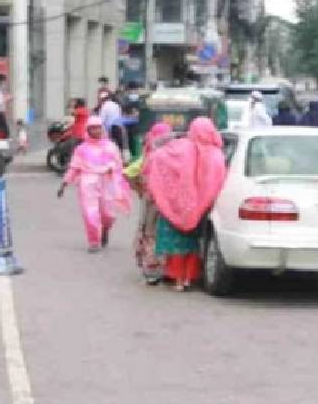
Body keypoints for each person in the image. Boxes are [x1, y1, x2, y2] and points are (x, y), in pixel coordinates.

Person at [145, 117, 228, 292]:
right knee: (192, 245)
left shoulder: (180, 148)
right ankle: (189, 278)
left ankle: (177, 279)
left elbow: (157, 155)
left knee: (176, 244)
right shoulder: (216, 155)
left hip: (176, 206)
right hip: (201, 209)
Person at [57, 116, 131, 253]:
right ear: (88, 130)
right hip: (87, 182)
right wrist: (64, 184)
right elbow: (74, 167)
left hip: (107, 182)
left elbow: (119, 165)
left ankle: (105, 228)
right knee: (90, 213)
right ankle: (93, 241)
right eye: (93, 128)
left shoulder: (111, 147)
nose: (96, 131)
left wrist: (115, 172)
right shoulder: (81, 149)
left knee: (108, 214)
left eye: (98, 128)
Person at [124, 122, 173, 285]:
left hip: (151, 201)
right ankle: (163, 269)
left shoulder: (149, 154)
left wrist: (140, 190)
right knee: (162, 234)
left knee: (149, 233)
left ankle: (151, 270)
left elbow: (129, 173)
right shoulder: (173, 154)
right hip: (168, 202)